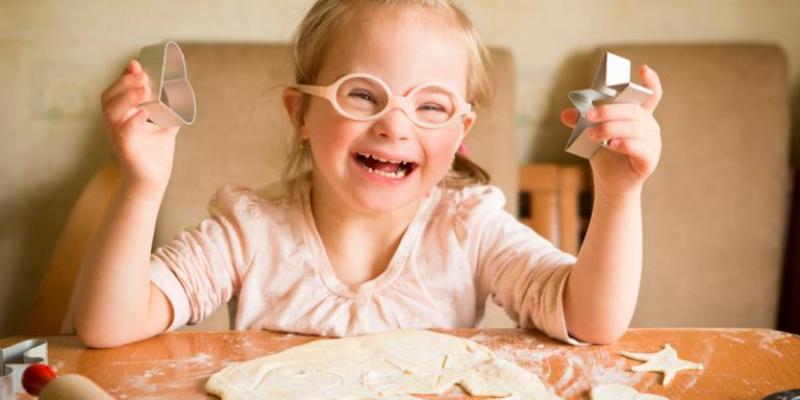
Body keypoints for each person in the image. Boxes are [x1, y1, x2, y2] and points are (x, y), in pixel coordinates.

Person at [75, 0, 663, 348]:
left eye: (430, 105)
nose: (395, 126)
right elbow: (107, 326)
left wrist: (617, 193)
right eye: (363, 95)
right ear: (300, 113)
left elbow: (591, 322)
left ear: (460, 133)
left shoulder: (470, 227)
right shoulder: (249, 230)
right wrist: (143, 184)